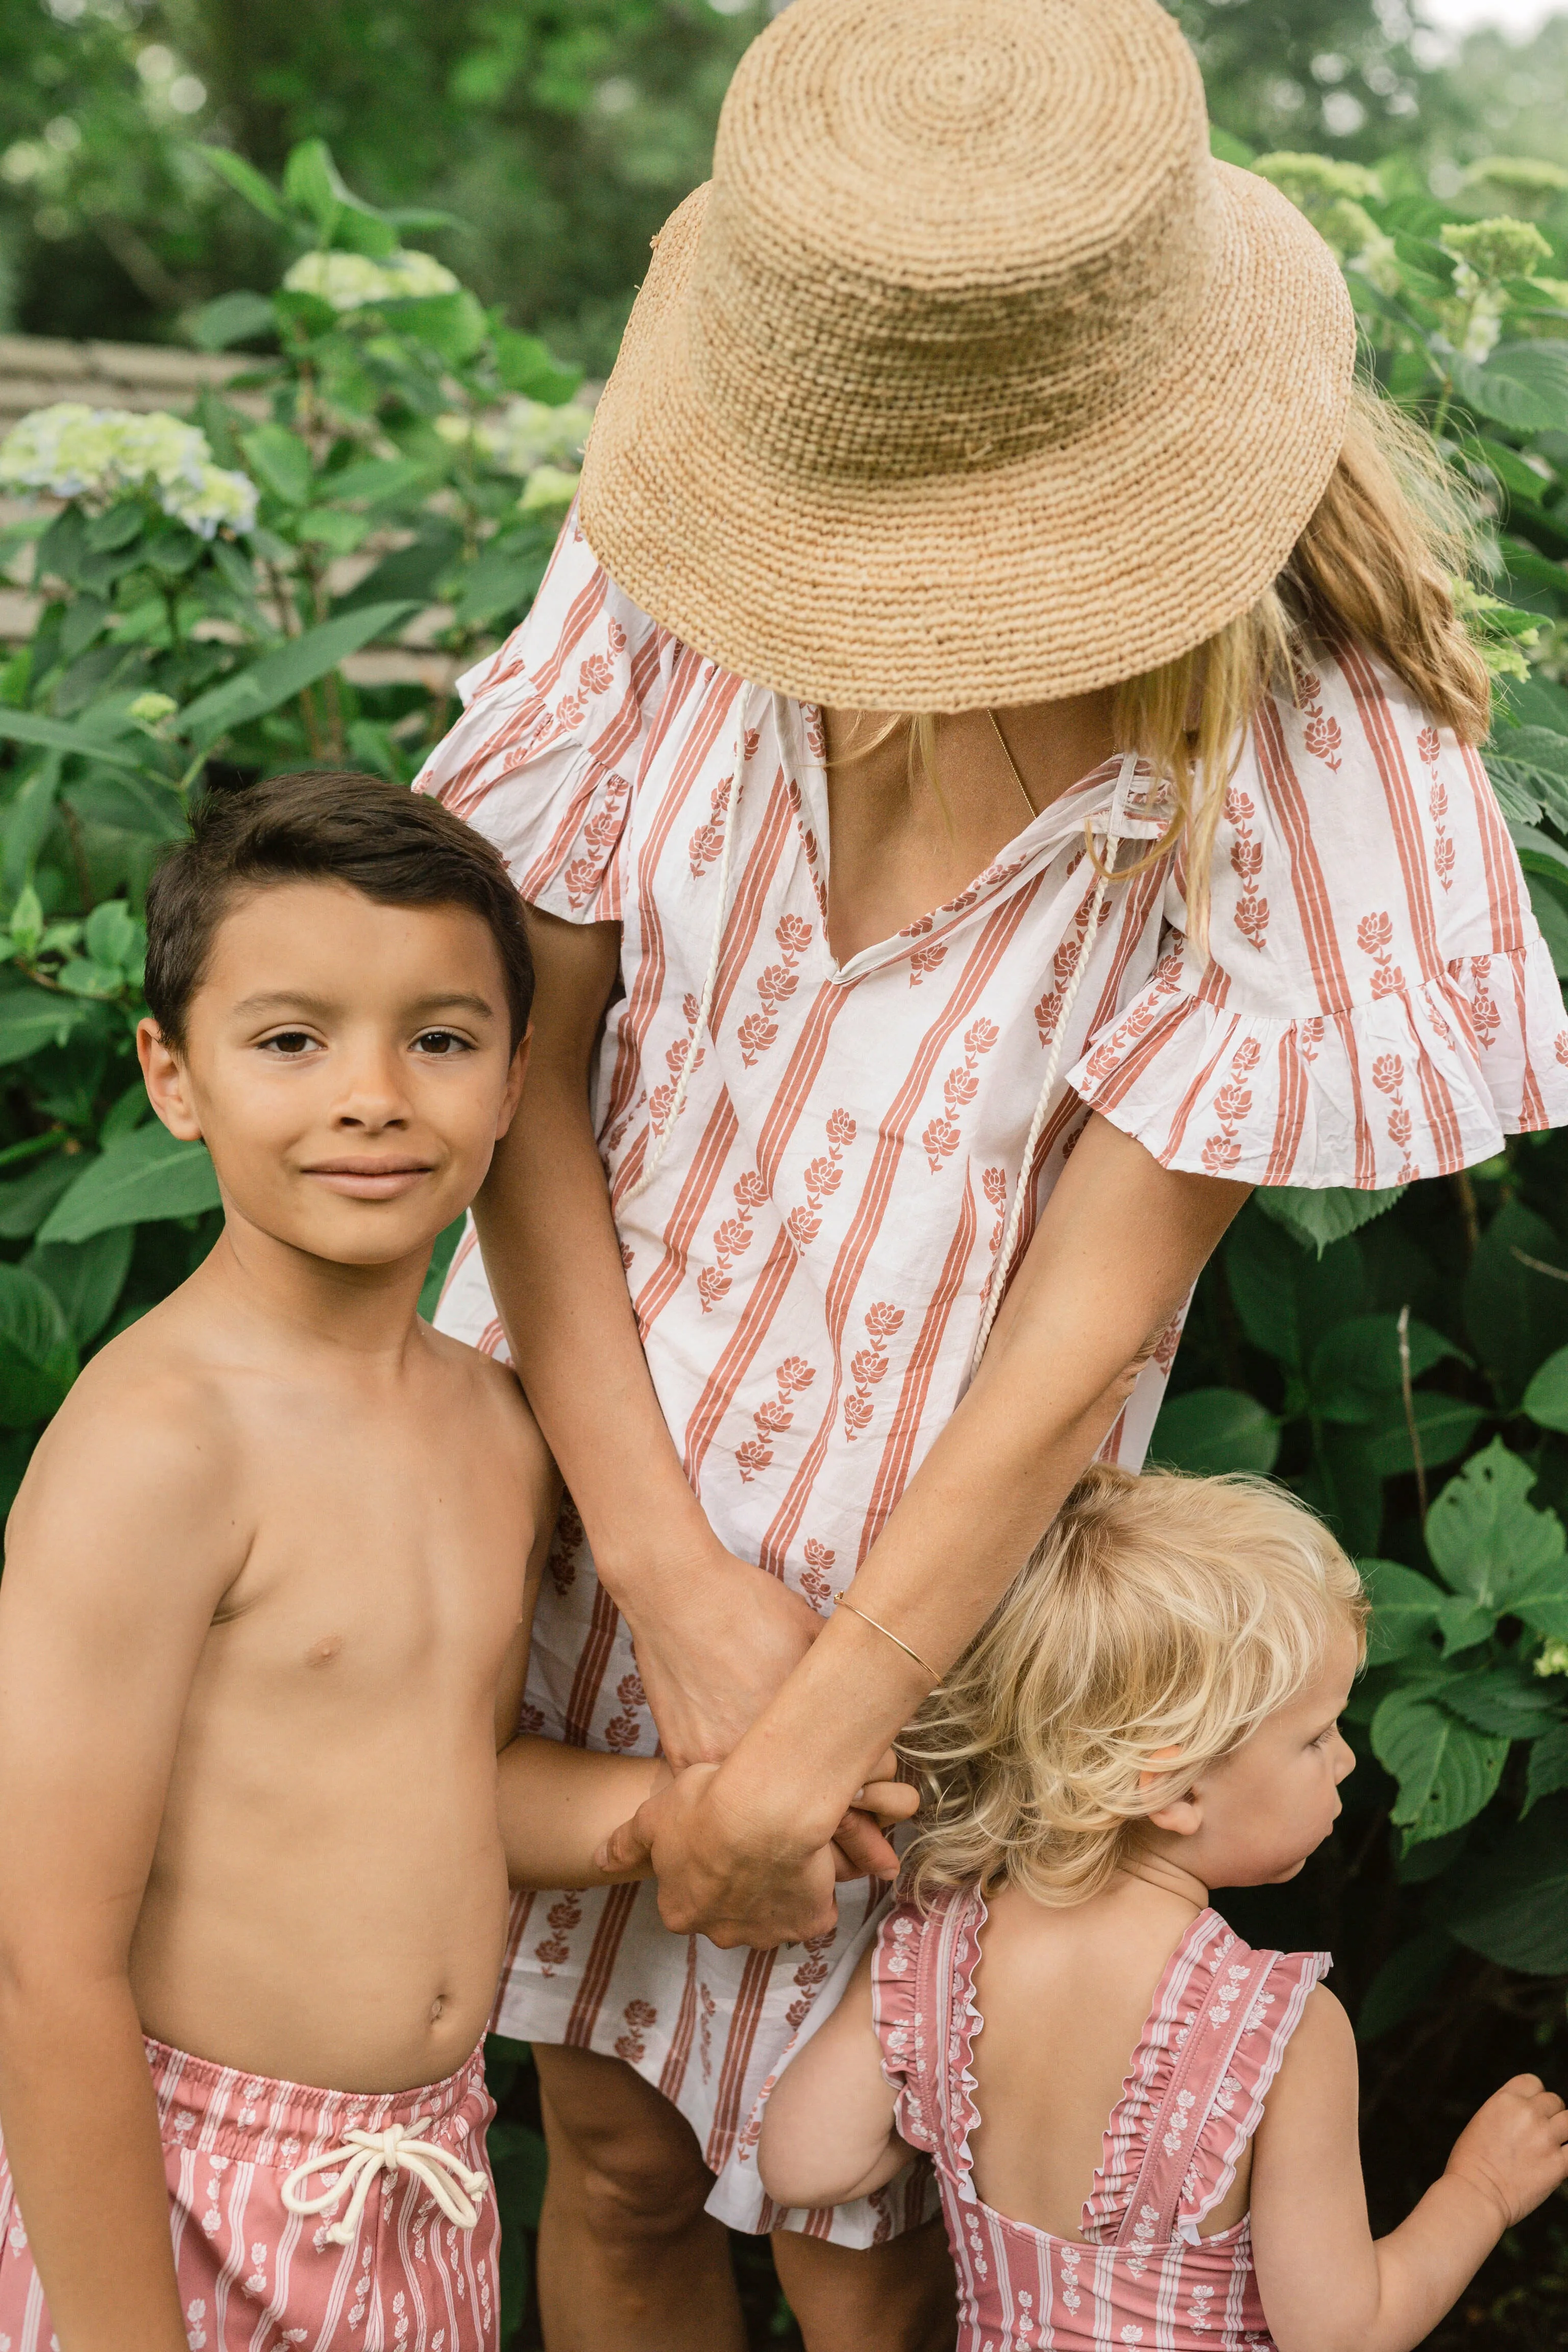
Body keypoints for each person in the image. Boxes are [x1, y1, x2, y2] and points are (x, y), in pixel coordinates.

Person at [414, 0, 1568, 2341]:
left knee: (877, 2223)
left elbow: (1078, 1333)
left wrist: (820, 1709)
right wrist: (664, 1577)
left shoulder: (1303, 736)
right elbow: (519, 1068)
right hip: (565, 1446)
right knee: (615, 2154)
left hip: (937, 1605)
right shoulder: (676, 535)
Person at [0, 773, 751, 2352]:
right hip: (174, 2199)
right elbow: (43, 1961)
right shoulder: (159, 1450)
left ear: (514, 1077)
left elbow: (433, 1783)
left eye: (441, 1038)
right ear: (171, 1075)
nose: (374, 1095)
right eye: (291, 1040)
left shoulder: (493, 1421)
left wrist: (665, 1817)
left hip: (422, 2188)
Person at [757, 1466, 1568, 2352]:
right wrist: (1480, 2192)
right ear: (1172, 1788)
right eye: (1314, 1736)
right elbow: (1341, 2335)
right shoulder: (1281, 2031)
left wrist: (945, 2115)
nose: (1345, 1762)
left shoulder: (938, 1953)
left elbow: (802, 2163)